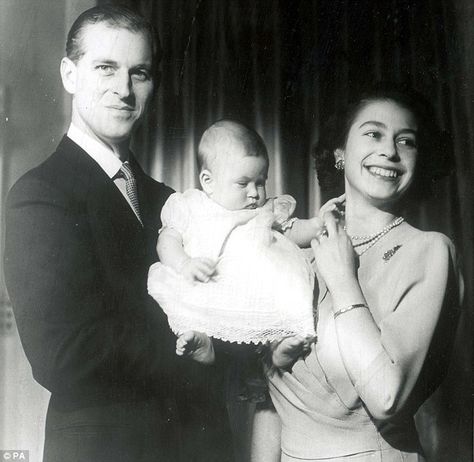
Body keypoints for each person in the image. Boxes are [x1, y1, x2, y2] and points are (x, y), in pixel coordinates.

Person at [3, 6, 233, 462]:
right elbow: (62, 354)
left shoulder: (170, 200)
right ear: (70, 74)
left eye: (140, 73)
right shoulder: (40, 193)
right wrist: (196, 347)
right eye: (105, 67)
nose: (124, 90)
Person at [266, 84, 462, 461]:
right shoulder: (296, 248)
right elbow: (267, 397)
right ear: (340, 152)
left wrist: (343, 282)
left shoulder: (429, 251)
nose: (389, 151)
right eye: (373, 134)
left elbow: (387, 399)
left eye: (406, 141)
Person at [148, 119, 331, 351]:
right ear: (208, 181)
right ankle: (204, 343)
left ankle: (278, 349)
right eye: (243, 183)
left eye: (260, 182)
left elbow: (291, 231)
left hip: (256, 292)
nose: (254, 193)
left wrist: (317, 225)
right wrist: (184, 264)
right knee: (188, 306)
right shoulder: (190, 206)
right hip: (208, 283)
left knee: (283, 296)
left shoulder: (263, 212)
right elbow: (167, 240)